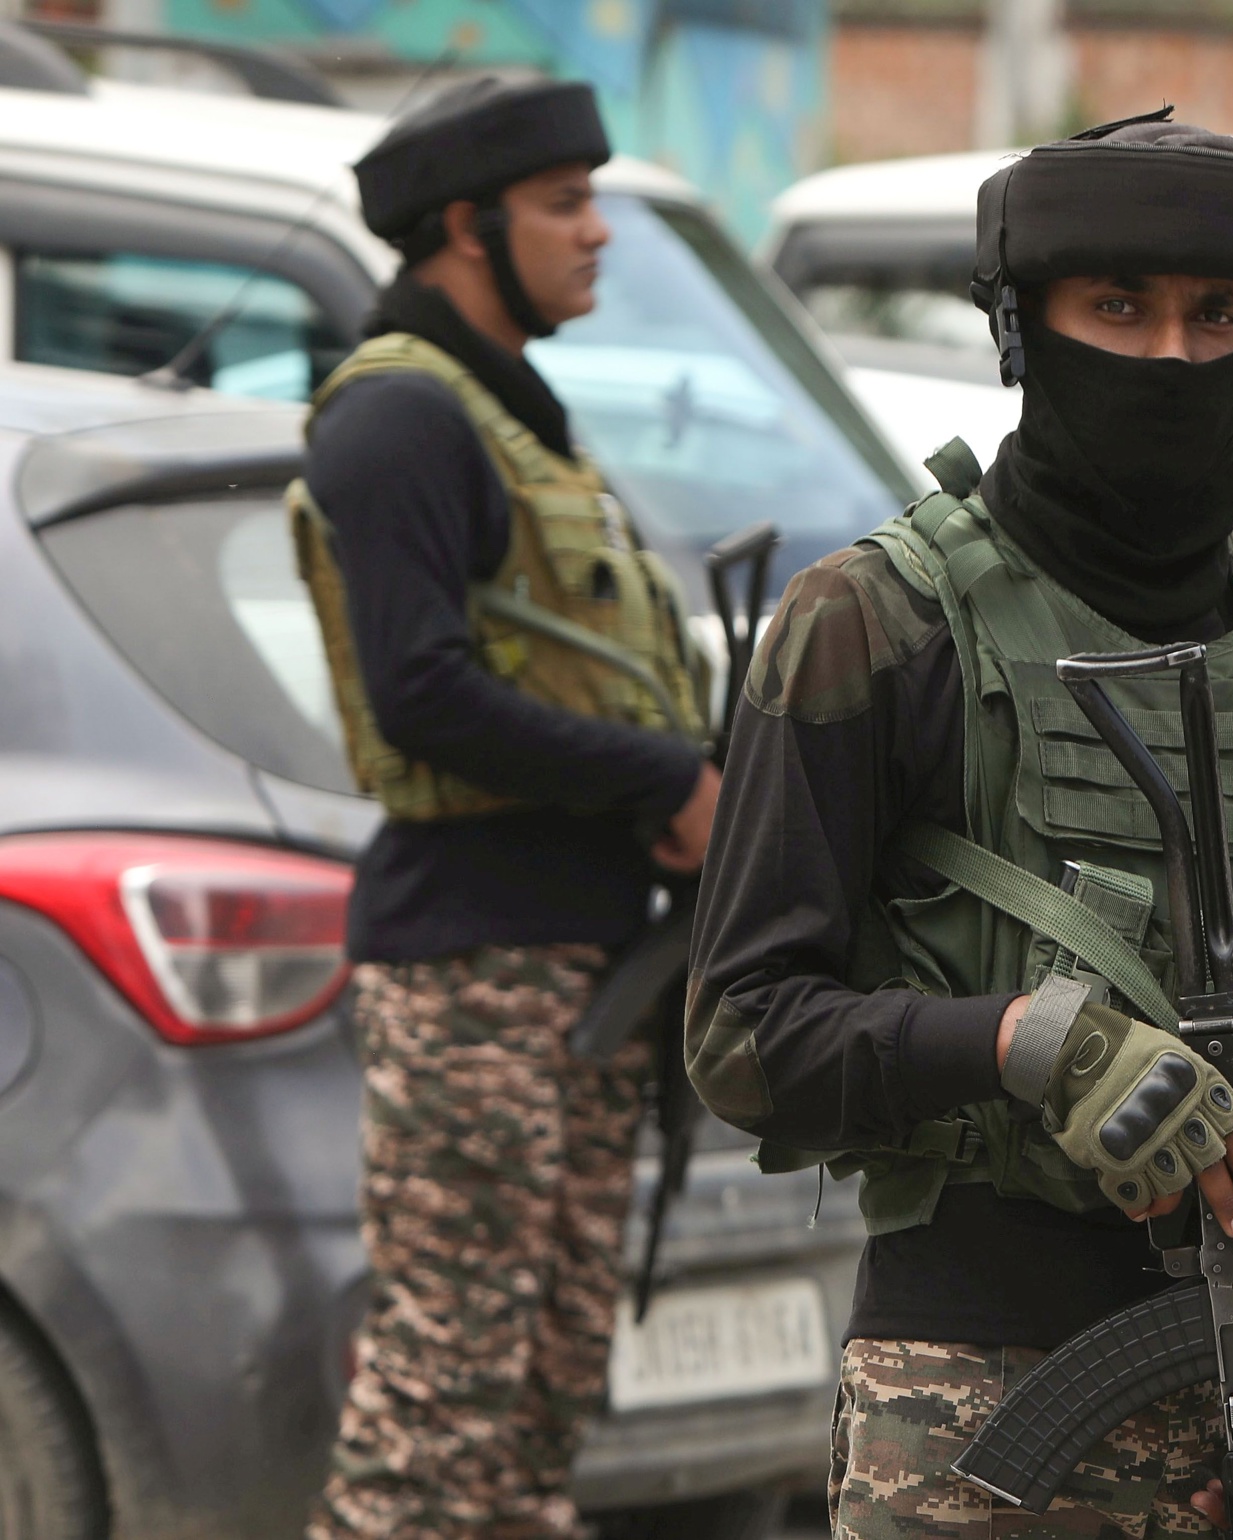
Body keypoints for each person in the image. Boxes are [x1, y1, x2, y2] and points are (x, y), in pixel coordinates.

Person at [683, 109, 1233, 1540]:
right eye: (1115, 308)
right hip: (970, 1401)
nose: (1172, 359)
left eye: (1216, 316)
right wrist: (1018, 1045)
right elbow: (744, 1034)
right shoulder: (872, 629)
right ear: (1021, 327)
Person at [293, 77, 720, 1540]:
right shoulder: (402, 418)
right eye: (562, 206)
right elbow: (419, 691)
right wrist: (666, 781)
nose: (595, 233)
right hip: (474, 966)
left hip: (577, 965)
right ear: (465, 229)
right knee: (439, 1410)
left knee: (537, 1416)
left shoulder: (507, 416)